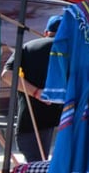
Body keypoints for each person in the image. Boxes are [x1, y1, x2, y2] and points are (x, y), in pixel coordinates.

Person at [5, 15, 63, 162]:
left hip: (32, 122)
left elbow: (7, 75)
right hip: (65, 120)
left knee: (34, 169)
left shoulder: (28, 47)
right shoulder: (72, 50)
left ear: (45, 32)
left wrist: (36, 92)